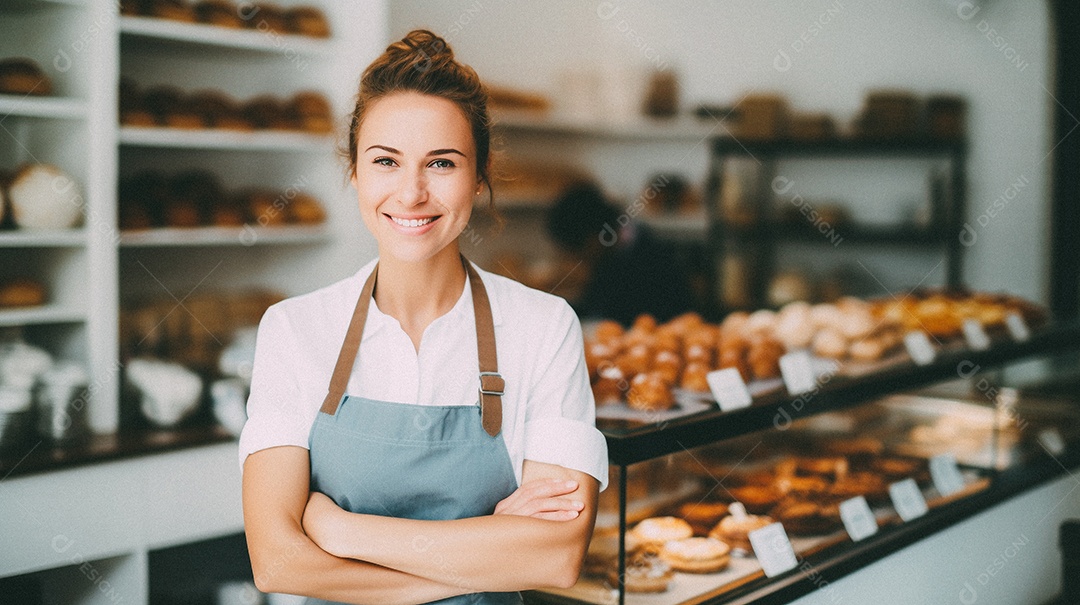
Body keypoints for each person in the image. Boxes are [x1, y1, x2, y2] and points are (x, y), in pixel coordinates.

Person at [239, 30, 608, 605]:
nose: (411, 193)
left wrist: (341, 531)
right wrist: (491, 554)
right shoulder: (293, 329)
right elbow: (278, 562)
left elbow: (556, 558)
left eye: (441, 163)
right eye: (386, 161)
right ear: (355, 173)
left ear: (479, 176)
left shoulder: (545, 326)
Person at [546, 181, 696, 326]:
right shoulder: (611, 255)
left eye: (577, 254)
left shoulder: (654, 262)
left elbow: (622, 318)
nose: (579, 261)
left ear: (592, 240)